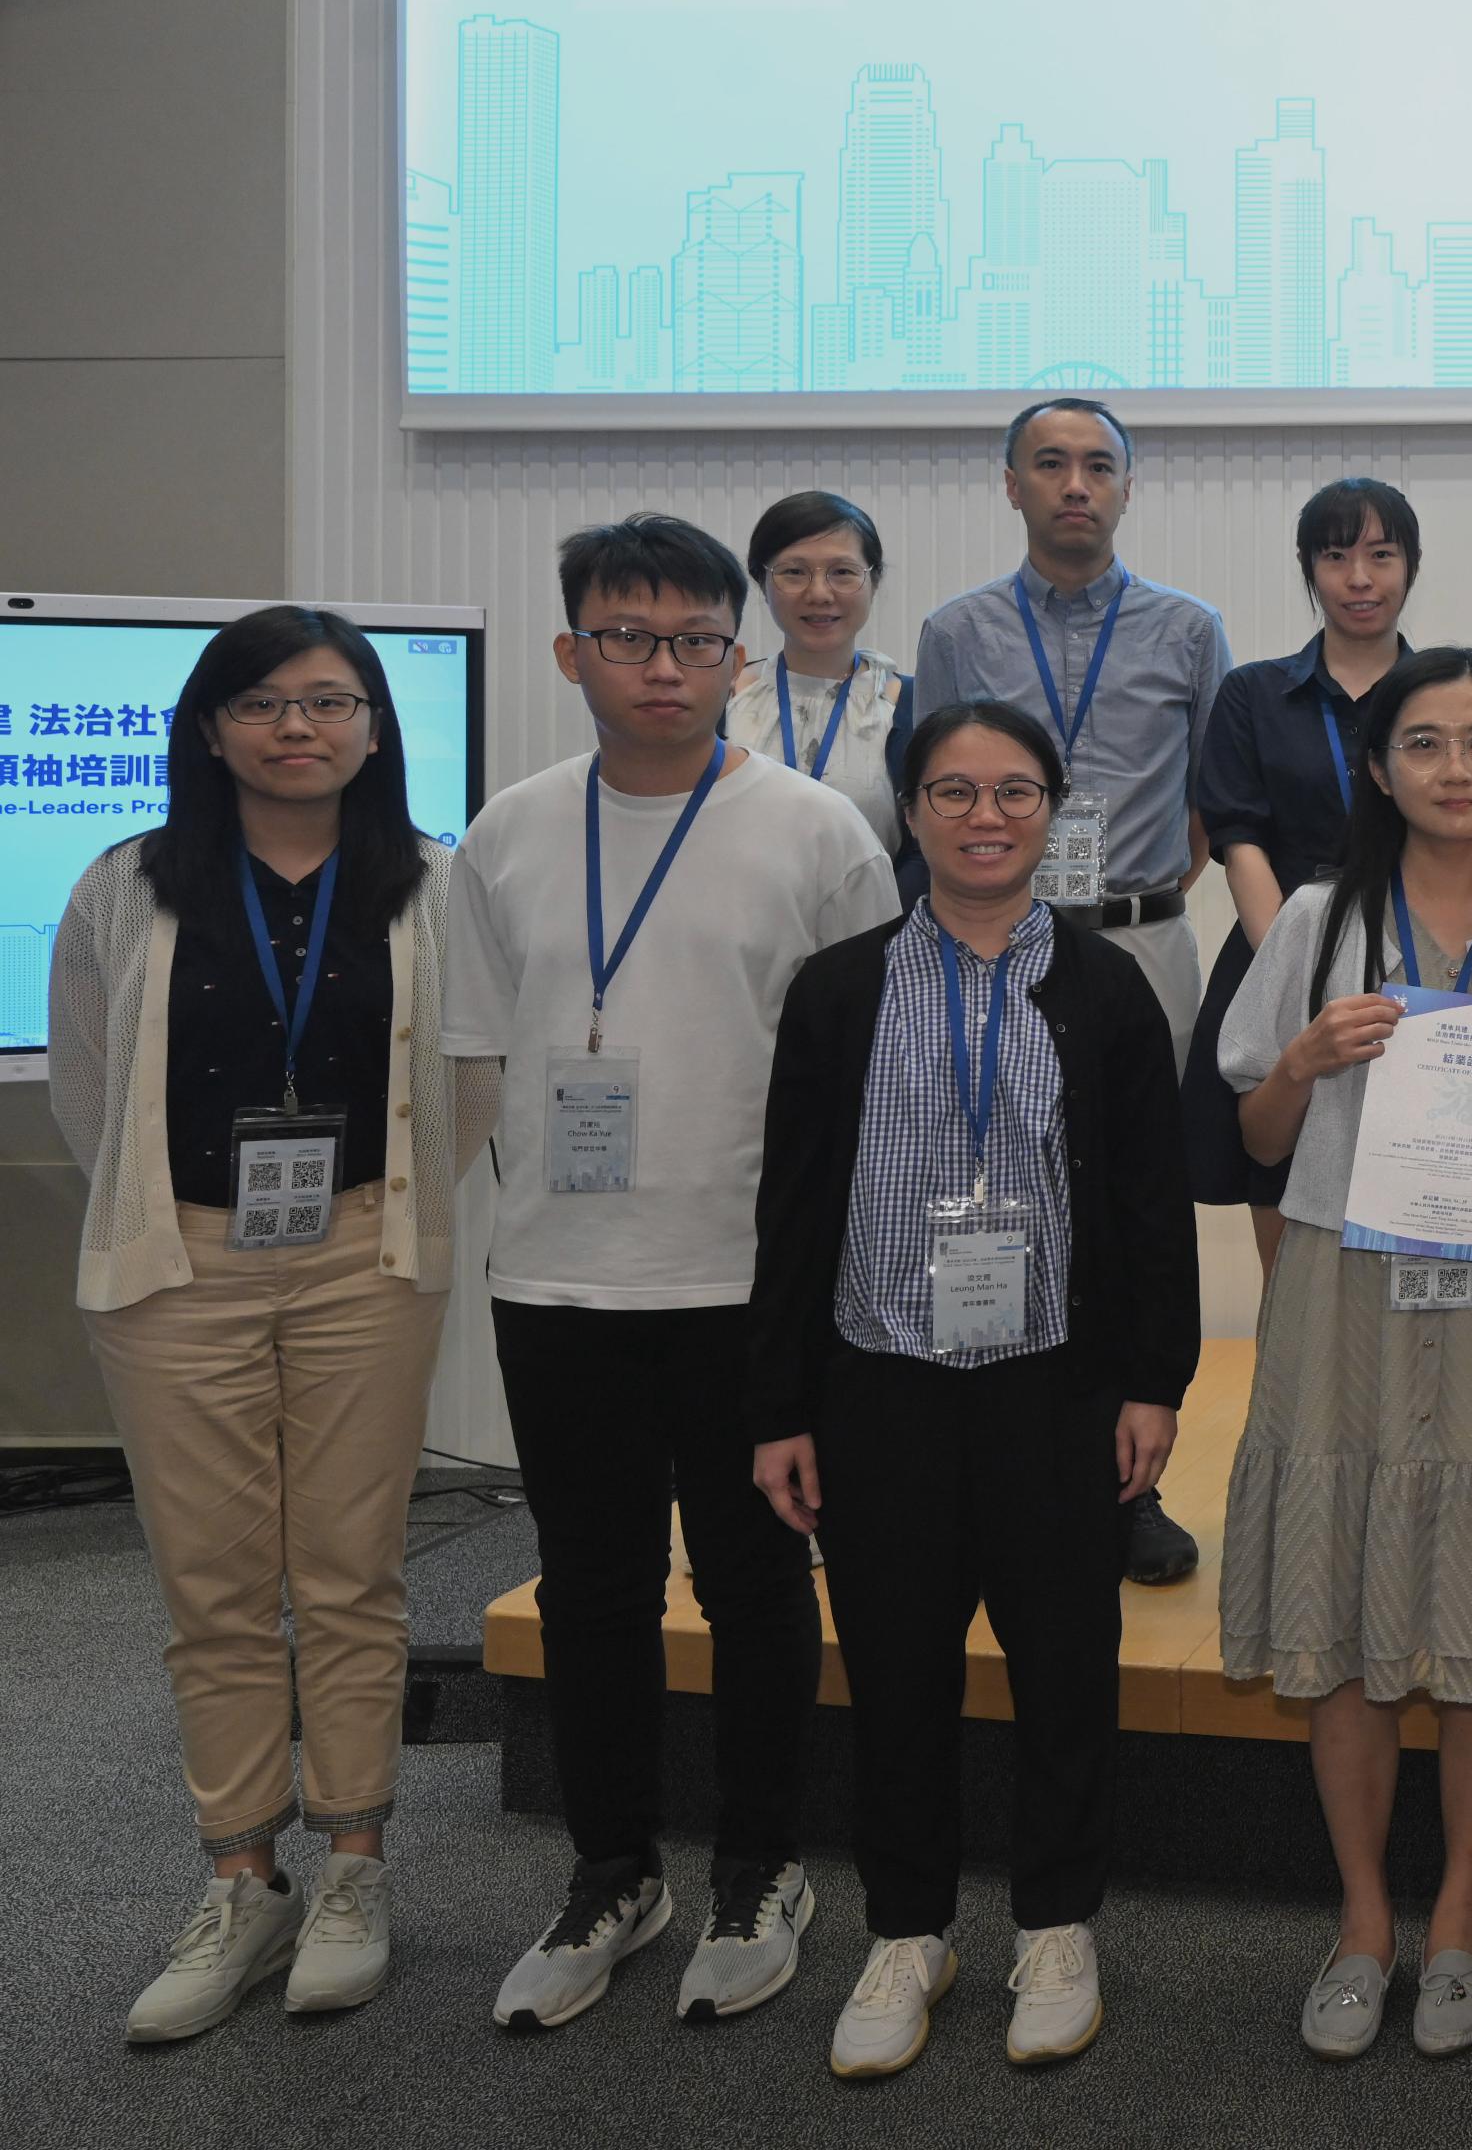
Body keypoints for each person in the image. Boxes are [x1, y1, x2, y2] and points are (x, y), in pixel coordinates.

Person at [447, 513, 898, 2034]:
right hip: (561, 1286)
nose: (663, 667)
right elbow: (473, 1059)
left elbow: (864, 1075)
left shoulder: (819, 830)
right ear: (572, 651)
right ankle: (612, 1869)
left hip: (751, 1289)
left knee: (760, 1585)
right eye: (628, 638)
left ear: (738, 655)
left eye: (696, 640)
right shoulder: (506, 832)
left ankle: (761, 1865)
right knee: (591, 1593)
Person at [745, 701, 1197, 2079]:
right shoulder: (839, 985)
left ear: (1053, 811)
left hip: (1053, 1386)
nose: (984, 815)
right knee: (893, 1669)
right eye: (954, 790)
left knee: (1067, 1668)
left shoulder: (1108, 988)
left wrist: (1151, 1383)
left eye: (1013, 791)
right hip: (879, 1381)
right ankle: (908, 1929)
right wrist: (779, 1403)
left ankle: (1056, 1924)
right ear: (914, 812)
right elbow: (794, 1205)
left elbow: (1144, 1203)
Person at [50, 608, 458, 2041]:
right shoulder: (127, 883)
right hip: (181, 1266)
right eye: (267, 703)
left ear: (372, 728)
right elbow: (89, 1088)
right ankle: (241, 1876)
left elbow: (457, 1087)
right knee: (215, 1586)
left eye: (333, 701)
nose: (302, 727)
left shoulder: (431, 882)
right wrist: (178, 1221)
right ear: (210, 725)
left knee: (348, 1571)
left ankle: (353, 1863)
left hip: (363, 1252)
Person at [1214, 649, 1472, 2067]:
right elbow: (1255, 1141)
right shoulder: (1321, 917)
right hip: (1345, 1283)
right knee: (1343, 1606)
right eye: (1427, 744)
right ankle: (1365, 1918)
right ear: (1378, 769)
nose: (1459, 769)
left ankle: (1459, 1916)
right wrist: (1307, 1061)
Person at [912, 396, 1232, 1587]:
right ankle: (996, 1466)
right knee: (991, 1187)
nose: (1076, 486)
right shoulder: (957, 631)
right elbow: (931, 793)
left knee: (1132, 1213)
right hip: (987, 942)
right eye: (1050, 464)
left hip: (1139, 946)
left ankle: (1131, 1489)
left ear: (1129, 487)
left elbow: (1213, 803)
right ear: (1012, 486)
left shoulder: (1188, 631)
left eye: (1100, 465)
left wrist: (1128, 897)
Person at [1192, 477, 1423, 1287]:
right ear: (1309, 569)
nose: (1360, 578)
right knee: (1289, 1232)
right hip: (1279, 968)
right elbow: (1239, 841)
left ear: (1411, 568)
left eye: (1381, 556)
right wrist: (1302, 963)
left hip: (1421, 971)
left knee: (1426, 1190)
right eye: (1336, 557)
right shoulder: (1254, 694)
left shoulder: (1442, 693)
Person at [725, 490, 914, 855]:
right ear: (762, 584)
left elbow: (926, 850)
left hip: (878, 910)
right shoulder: (723, 699)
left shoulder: (911, 706)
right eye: (793, 572)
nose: (819, 593)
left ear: (873, 583)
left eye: (842, 572)